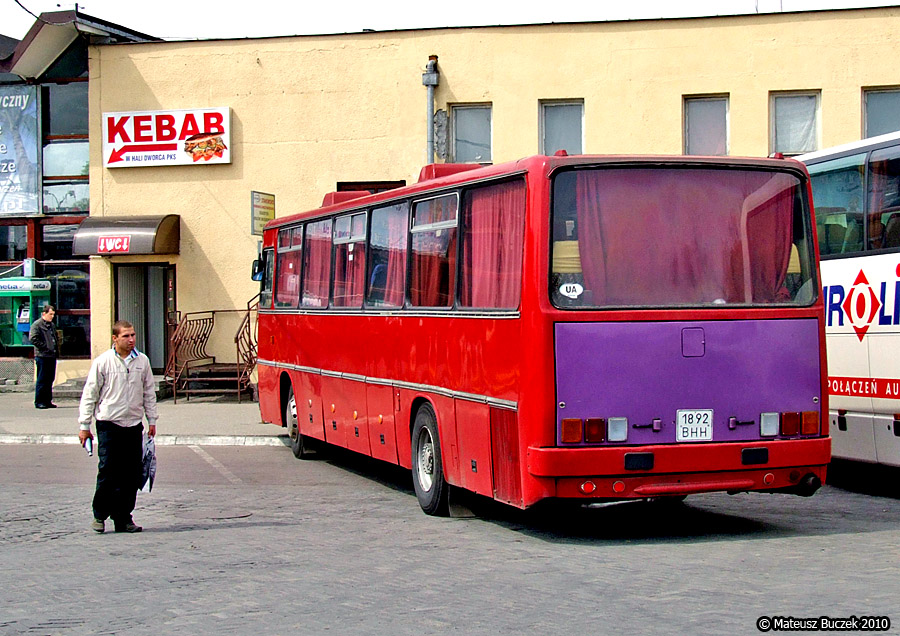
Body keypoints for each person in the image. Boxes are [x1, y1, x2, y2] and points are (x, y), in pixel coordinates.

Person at [78, 320, 158, 534]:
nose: (131, 340)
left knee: (131, 474)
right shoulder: (103, 362)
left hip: (133, 424)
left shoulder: (142, 361)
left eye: (132, 335)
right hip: (108, 424)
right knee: (108, 471)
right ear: (115, 338)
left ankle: (123, 517)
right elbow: (90, 394)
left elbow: (149, 392)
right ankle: (99, 515)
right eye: (126, 336)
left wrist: (152, 420)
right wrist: (84, 425)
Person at [29, 304, 59, 409]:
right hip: (42, 356)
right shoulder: (37, 325)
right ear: (44, 314)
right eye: (50, 314)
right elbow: (33, 338)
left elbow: (54, 338)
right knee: (42, 379)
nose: (52, 316)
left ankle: (47, 400)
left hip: (51, 355)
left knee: (50, 379)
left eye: (53, 314)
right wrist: (45, 347)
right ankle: (39, 401)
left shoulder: (51, 325)